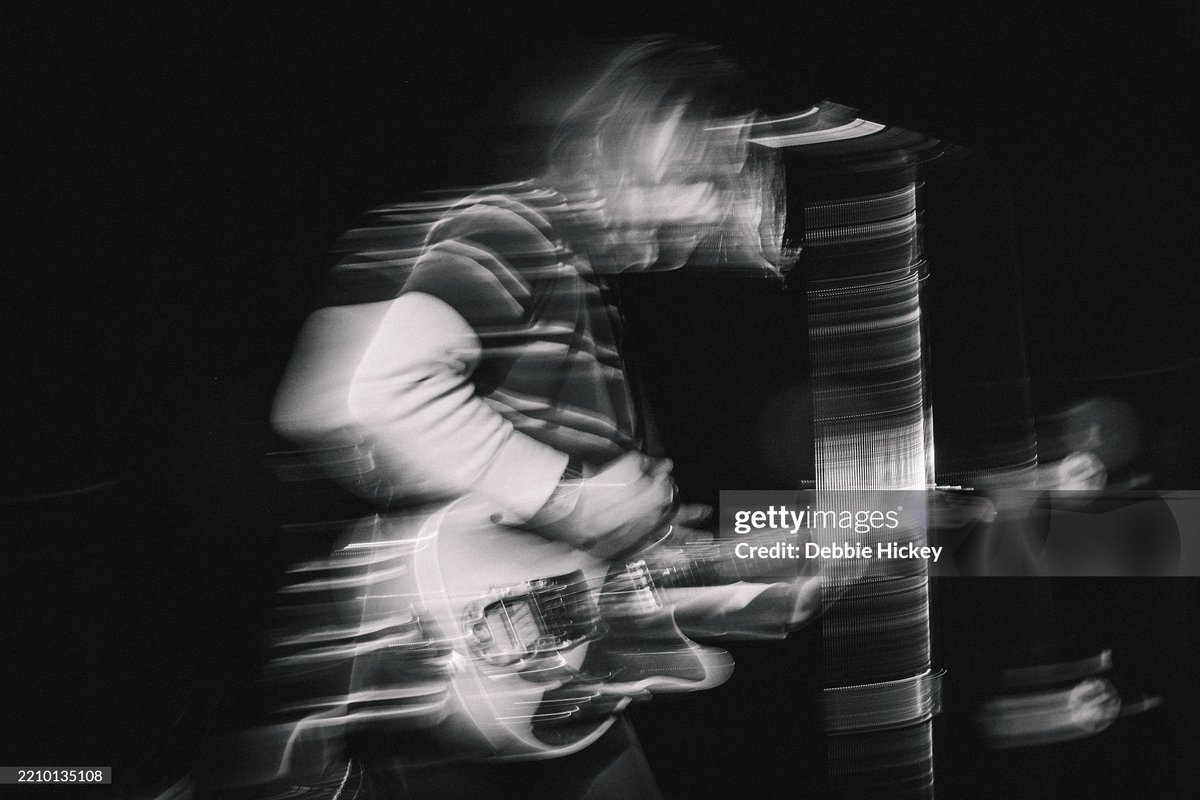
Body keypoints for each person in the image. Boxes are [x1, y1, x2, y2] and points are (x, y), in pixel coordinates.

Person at [269, 35, 816, 800]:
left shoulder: (577, 283)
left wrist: (745, 576)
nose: (712, 206)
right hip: (467, 661)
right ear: (635, 151)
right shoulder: (511, 232)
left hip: (542, 675)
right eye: (701, 177)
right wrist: (564, 492)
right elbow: (356, 394)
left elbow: (600, 548)